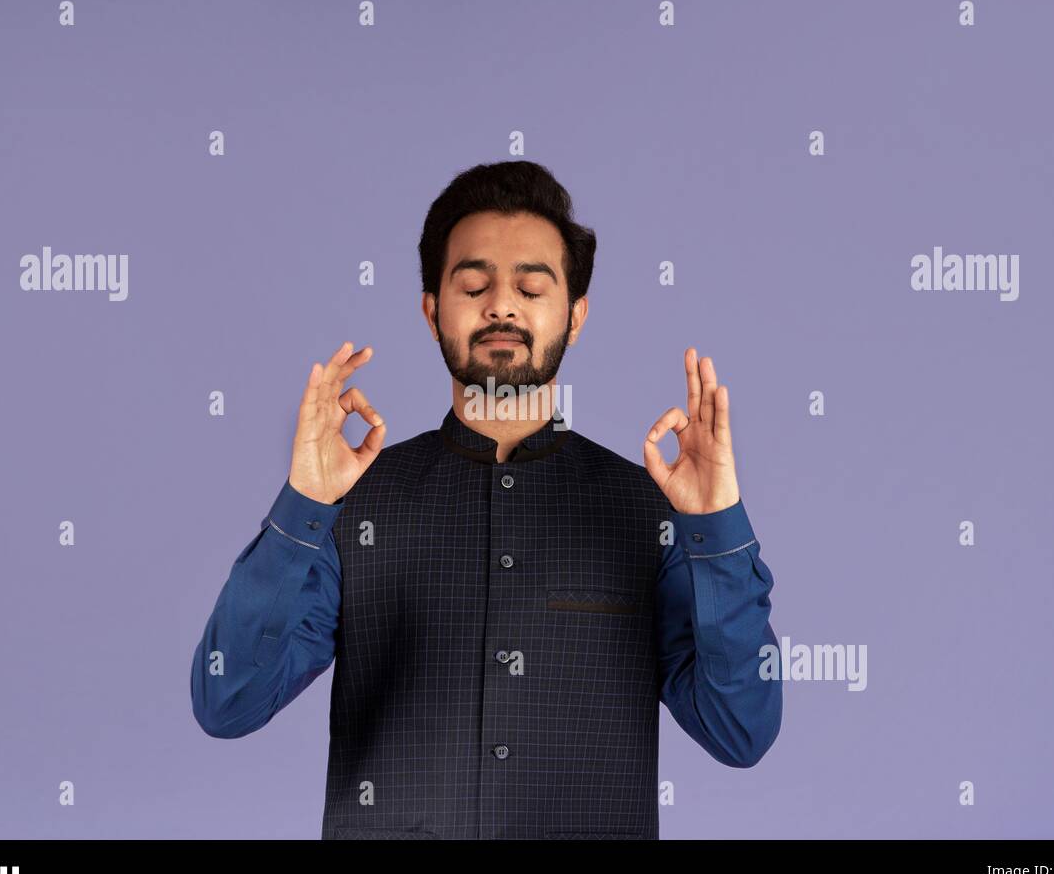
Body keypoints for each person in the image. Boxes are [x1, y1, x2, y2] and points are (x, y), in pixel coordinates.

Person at [190, 160, 781, 839]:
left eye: (531, 287)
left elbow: (742, 731)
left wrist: (717, 532)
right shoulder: (353, 504)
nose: (501, 305)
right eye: (474, 285)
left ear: (576, 316)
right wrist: (302, 507)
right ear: (432, 308)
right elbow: (226, 700)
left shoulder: (651, 514)